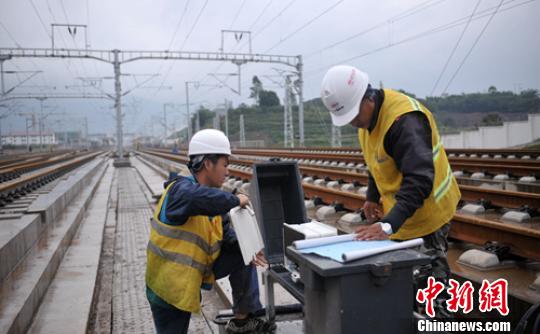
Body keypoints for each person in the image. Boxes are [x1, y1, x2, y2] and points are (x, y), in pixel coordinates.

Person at [321, 65, 461, 317]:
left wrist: (387, 225)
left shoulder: (404, 120)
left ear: (367, 97)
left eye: (353, 115)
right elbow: (376, 160)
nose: (352, 122)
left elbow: (419, 180)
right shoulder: (367, 122)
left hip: (429, 213)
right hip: (401, 216)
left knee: (431, 288)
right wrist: (372, 197)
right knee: (403, 288)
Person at [145, 129, 274, 333]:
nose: (228, 171)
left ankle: (242, 321)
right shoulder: (180, 190)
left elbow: (224, 235)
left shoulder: (211, 198)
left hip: (193, 274)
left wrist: (250, 246)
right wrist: (235, 200)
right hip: (167, 288)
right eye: (225, 164)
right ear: (207, 164)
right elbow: (197, 198)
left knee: (243, 249)